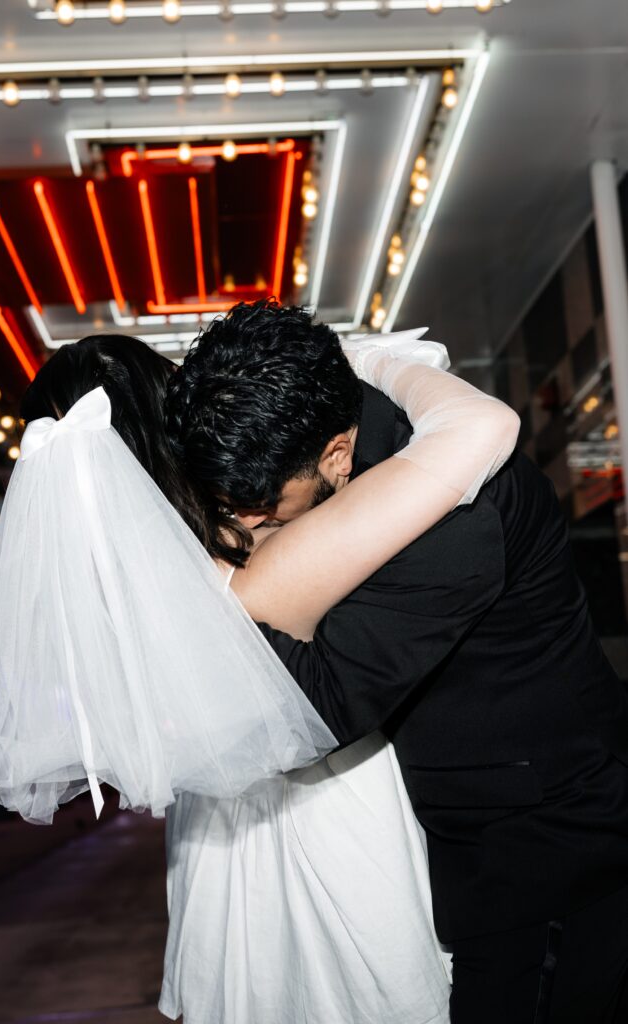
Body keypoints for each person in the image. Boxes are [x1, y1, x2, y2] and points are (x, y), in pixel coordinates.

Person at [0, 328, 518, 1024]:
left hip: (221, 840)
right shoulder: (255, 565)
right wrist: (366, 359)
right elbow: (472, 435)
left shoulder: (127, 599)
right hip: (333, 816)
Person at [168, 300, 628, 1024]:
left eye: (260, 504)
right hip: (495, 836)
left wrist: (217, 595)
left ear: (337, 456)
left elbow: (311, 715)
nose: (249, 523)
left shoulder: (452, 514)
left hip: (546, 851)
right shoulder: (357, 434)